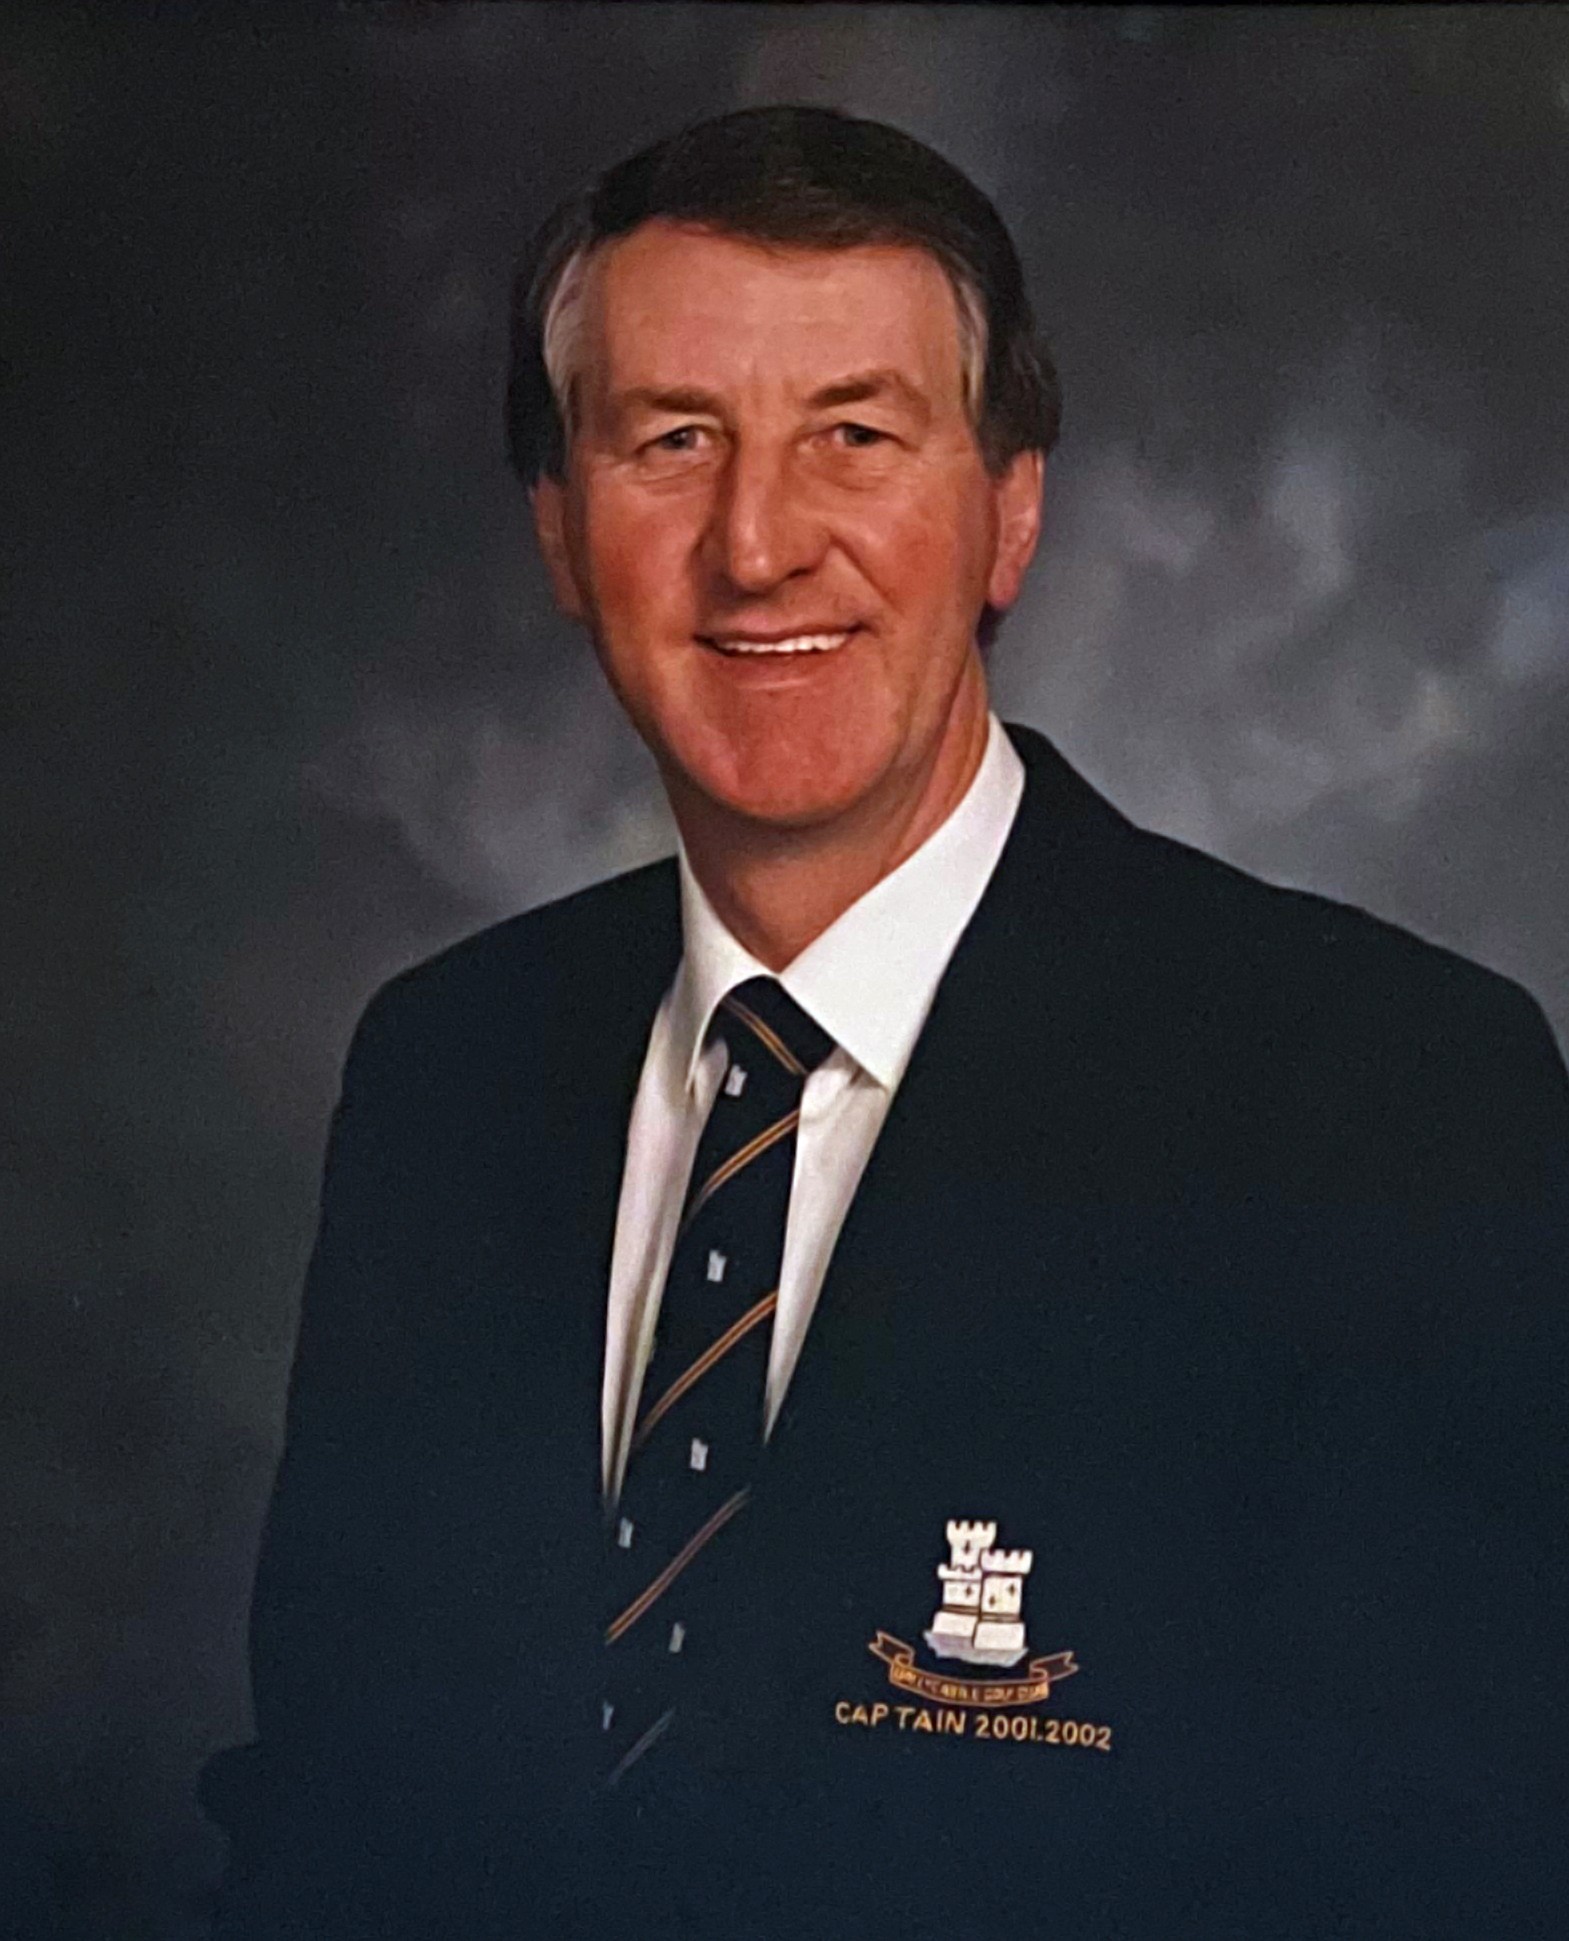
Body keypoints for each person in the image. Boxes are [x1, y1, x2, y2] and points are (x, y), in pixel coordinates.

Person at [200, 105, 1569, 1939]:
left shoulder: (1392, 1094)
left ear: (1010, 513)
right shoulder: (444, 1068)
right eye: (672, 440)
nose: (758, 543)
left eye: (852, 434)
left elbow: (1450, 1881)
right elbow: (328, 1818)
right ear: (557, 530)